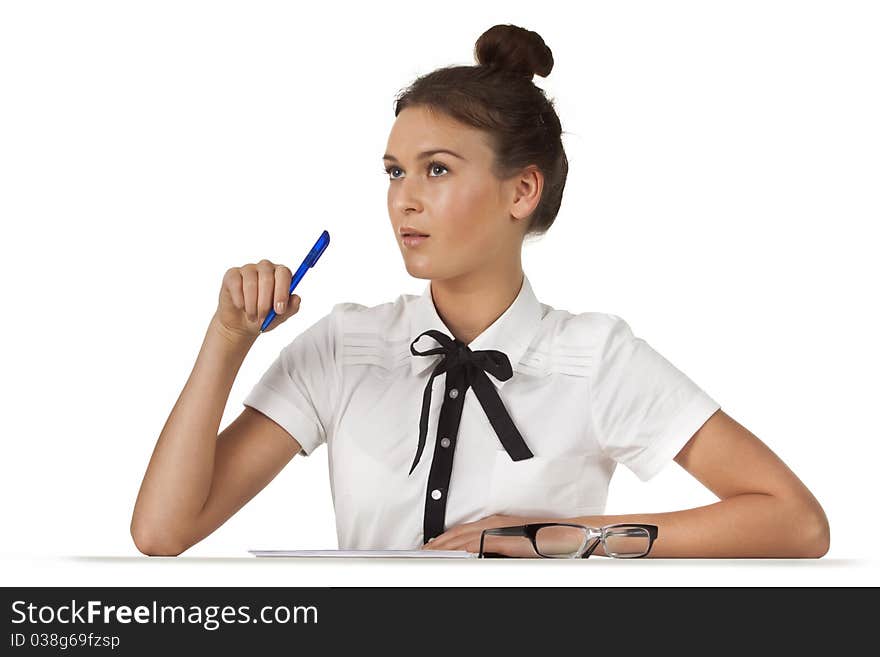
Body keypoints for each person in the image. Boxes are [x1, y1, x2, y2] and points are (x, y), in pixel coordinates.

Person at [130, 24, 830, 558]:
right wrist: (226, 340)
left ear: (522, 189)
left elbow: (793, 519)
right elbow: (163, 530)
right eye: (394, 172)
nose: (404, 200)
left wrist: (554, 535)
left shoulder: (595, 357)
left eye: (435, 170)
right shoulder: (347, 346)